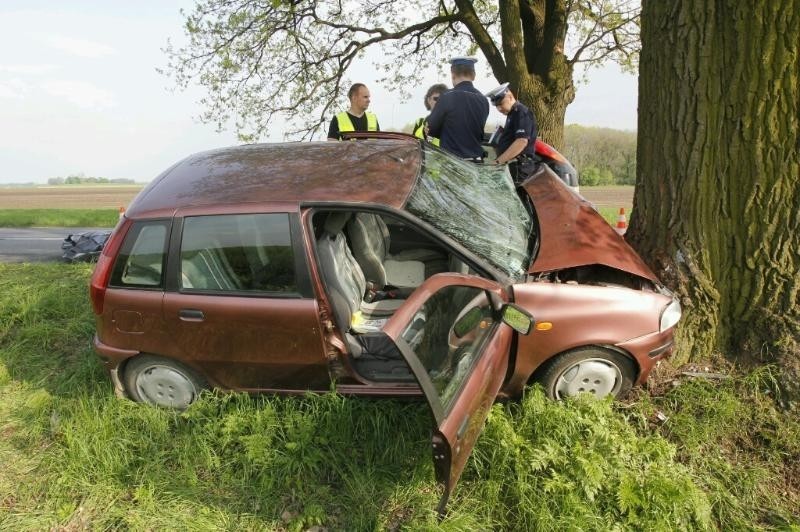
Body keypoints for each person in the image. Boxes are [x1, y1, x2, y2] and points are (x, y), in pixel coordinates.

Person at [425, 57, 489, 161]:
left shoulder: (447, 96)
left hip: (454, 164)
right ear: (473, 75)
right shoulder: (483, 100)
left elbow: (431, 128)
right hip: (477, 163)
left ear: (453, 74)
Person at [485, 82, 539, 183]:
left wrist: (497, 162)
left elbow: (521, 141)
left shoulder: (521, 112)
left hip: (520, 168)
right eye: (496, 106)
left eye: (501, 104)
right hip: (513, 166)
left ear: (510, 97)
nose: (499, 109)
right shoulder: (512, 114)